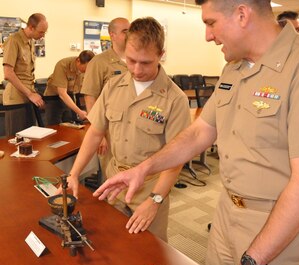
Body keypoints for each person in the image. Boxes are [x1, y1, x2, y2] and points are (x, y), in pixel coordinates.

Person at [93, 1, 299, 265]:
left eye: (211, 23)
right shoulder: (234, 68)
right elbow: (199, 133)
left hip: (279, 228)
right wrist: (144, 169)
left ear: (242, 15)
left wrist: (255, 261)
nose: (208, 35)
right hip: (227, 214)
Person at [64, 17, 191, 242]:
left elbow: (176, 159)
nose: (137, 70)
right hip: (114, 185)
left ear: (161, 55)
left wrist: (155, 201)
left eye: (145, 63)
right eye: (131, 61)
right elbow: (95, 132)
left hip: (150, 189)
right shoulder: (114, 86)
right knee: (111, 247)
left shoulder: (175, 99)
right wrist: (74, 174)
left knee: (149, 254)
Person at [80, 17, 130, 184]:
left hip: (133, 128)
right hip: (109, 130)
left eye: (130, 29)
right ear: (112, 35)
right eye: (124, 31)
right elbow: (90, 97)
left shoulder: (134, 59)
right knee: (110, 179)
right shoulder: (99, 62)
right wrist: (98, 133)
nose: (129, 34)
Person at [2, 13, 48, 136]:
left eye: (44, 33)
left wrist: (32, 94)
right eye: (41, 32)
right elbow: (8, 73)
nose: (43, 35)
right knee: (16, 141)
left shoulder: (30, 42)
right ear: (31, 27)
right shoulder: (14, 40)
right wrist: (30, 94)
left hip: (29, 96)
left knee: (30, 138)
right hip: (16, 99)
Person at [43, 50, 95, 125]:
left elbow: (87, 91)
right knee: (53, 126)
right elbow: (62, 93)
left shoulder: (90, 67)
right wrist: (79, 112)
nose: (85, 72)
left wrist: (88, 111)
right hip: (54, 97)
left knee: (70, 123)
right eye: (84, 70)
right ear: (78, 61)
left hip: (70, 94)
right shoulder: (63, 65)